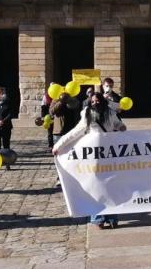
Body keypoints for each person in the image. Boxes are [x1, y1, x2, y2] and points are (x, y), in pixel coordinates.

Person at [54, 92, 127, 228]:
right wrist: (59, 145)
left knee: (112, 186)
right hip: (94, 156)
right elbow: (76, 131)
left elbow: (117, 124)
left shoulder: (110, 112)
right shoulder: (87, 113)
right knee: (96, 186)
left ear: (102, 102)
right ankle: (98, 217)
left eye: (97, 101)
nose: (95, 103)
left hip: (110, 154)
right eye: (92, 102)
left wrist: (121, 127)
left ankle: (112, 218)